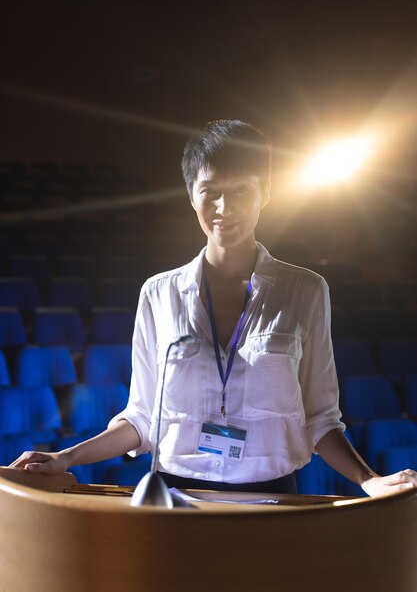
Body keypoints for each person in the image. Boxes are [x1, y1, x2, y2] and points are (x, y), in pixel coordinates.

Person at [10, 119, 417, 497]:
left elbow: (321, 418)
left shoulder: (305, 290)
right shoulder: (158, 294)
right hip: (176, 497)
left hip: (272, 496)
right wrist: (66, 458)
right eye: (211, 191)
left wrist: (370, 480)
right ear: (192, 196)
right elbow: (141, 418)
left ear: (266, 192)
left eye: (242, 189)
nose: (225, 207)